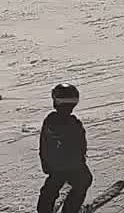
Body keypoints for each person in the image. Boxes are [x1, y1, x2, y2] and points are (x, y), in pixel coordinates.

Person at [37, 83, 92, 213]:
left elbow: (43, 143)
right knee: (84, 180)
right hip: (73, 166)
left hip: (54, 165)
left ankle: (44, 210)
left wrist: (45, 162)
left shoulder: (49, 120)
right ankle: (70, 210)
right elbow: (81, 146)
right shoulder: (74, 124)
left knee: (51, 187)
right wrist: (81, 162)